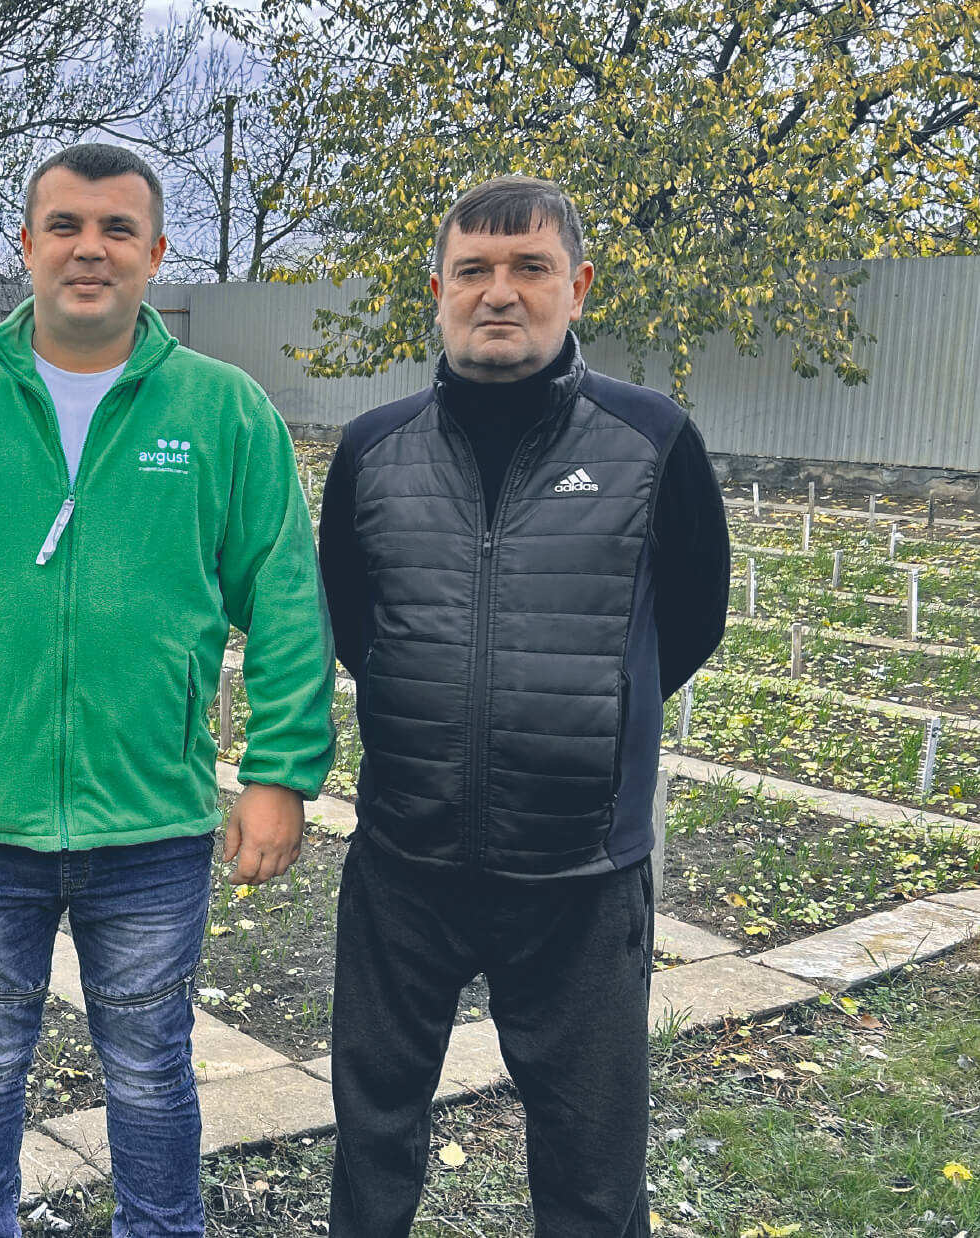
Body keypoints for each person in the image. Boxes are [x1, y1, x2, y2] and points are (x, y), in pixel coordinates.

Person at [0, 142, 337, 1238]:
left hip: (150, 823)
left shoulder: (225, 412)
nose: (89, 249)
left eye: (115, 229)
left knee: (149, 1066)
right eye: (65, 226)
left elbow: (288, 603)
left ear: (155, 253)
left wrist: (281, 772)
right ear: (26, 245)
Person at [316, 175, 731, 1237]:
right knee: (371, 1138)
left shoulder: (650, 439)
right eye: (473, 270)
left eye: (529, 267)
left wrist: (585, 712)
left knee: (592, 1161)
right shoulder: (372, 448)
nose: (498, 292)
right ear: (438, 290)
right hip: (403, 864)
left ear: (577, 286)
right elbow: (354, 622)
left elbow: (689, 619)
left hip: (579, 874)